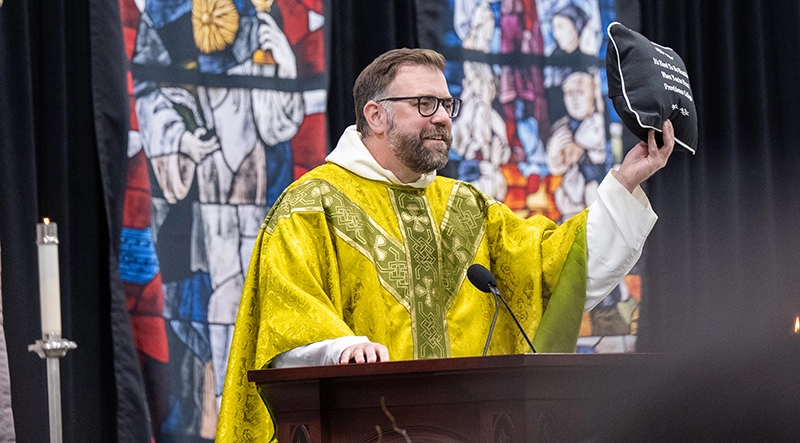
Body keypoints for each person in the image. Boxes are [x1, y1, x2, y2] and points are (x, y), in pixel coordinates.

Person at [216, 48, 674, 442]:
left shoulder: (467, 207)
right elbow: (286, 317)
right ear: (376, 115)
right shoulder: (311, 207)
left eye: (446, 104)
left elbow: (553, 268)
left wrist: (625, 181)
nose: (441, 117)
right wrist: (339, 349)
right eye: (425, 103)